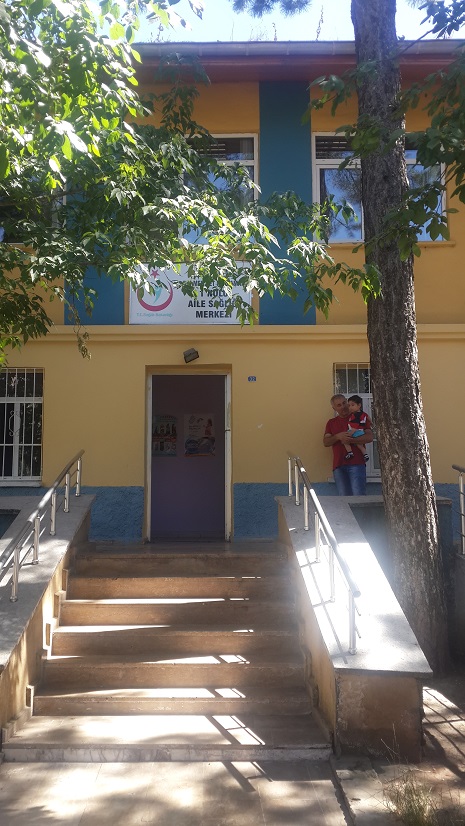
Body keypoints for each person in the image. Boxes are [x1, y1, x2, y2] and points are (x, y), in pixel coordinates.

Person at [323, 394, 373, 496]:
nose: (343, 407)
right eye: (339, 405)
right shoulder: (331, 423)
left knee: (358, 498)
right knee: (344, 499)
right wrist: (338, 436)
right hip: (339, 466)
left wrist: (350, 440)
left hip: (357, 463)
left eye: (344, 403)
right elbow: (326, 442)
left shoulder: (359, 416)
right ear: (334, 408)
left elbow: (369, 437)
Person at [344, 395, 370, 462]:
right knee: (360, 445)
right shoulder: (362, 413)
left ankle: (350, 452)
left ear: (359, 405)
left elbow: (356, 425)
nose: (350, 407)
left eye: (352, 405)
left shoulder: (356, 415)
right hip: (361, 431)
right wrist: (371, 422)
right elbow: (368, 417)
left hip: (355, 431)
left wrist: (351, 432)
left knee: (345, 441)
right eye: (349, 405)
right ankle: (365, 455)